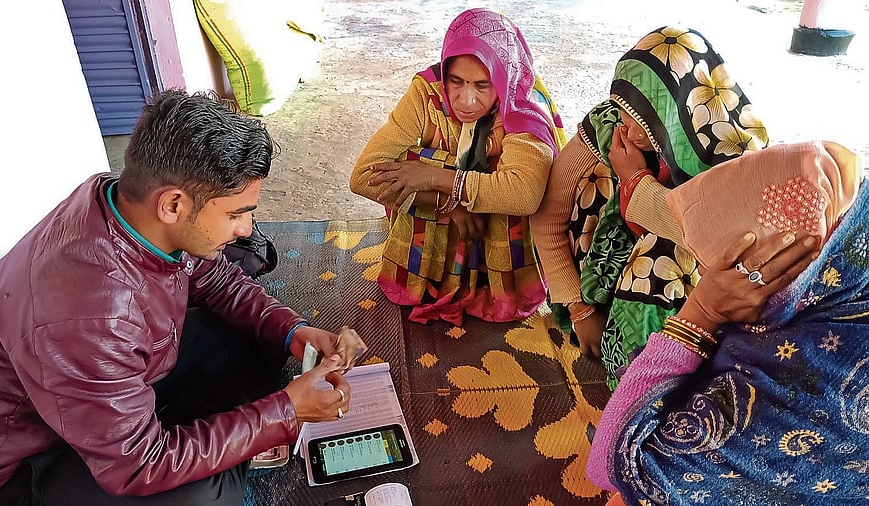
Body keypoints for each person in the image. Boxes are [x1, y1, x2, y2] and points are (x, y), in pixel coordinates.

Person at [0, 90, 367, 505]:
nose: (247, 229)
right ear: (173, 204)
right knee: (207, 498)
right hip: (31, 460)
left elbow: (216, 278)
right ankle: (216, 437)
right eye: (236, 214)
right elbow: (137, 465)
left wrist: (295, 331)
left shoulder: (117, 199)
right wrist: (282, 413)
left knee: (259, 337)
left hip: (97, 393)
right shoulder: (94, 316)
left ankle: (209, 428)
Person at [587, 141, 865, 504]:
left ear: (770, 272)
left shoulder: (788, 388)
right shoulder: (848, 260)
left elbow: (615, 465)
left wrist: (702, 313)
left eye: (718, 266)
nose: (702, 272)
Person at [529, 27, 768, 372]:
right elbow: (547, 215)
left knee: (666, 247)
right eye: (624, 106)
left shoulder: (733, 154)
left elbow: (706, 239)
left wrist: (635, 181)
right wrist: (579, 309)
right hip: (599, 287)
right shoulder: (610, 124)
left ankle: (653, 368)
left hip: (694, 311)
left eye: (642, 113)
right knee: (595, 178)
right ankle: (617, 337)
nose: (625, 125)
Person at [350, 7, 567, 325]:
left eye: (483, 85)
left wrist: (436, 177)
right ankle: (430, 280)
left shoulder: (523, 105)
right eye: (457, 82)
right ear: (445, 71)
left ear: (503, 78)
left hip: (505, 257)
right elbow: (363, 176)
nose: (466, 100)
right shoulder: (426, 96)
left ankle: (496, 288)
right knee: (406, 169)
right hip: (433, 254)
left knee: (509, 179)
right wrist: (449, 204)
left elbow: (524, 194)